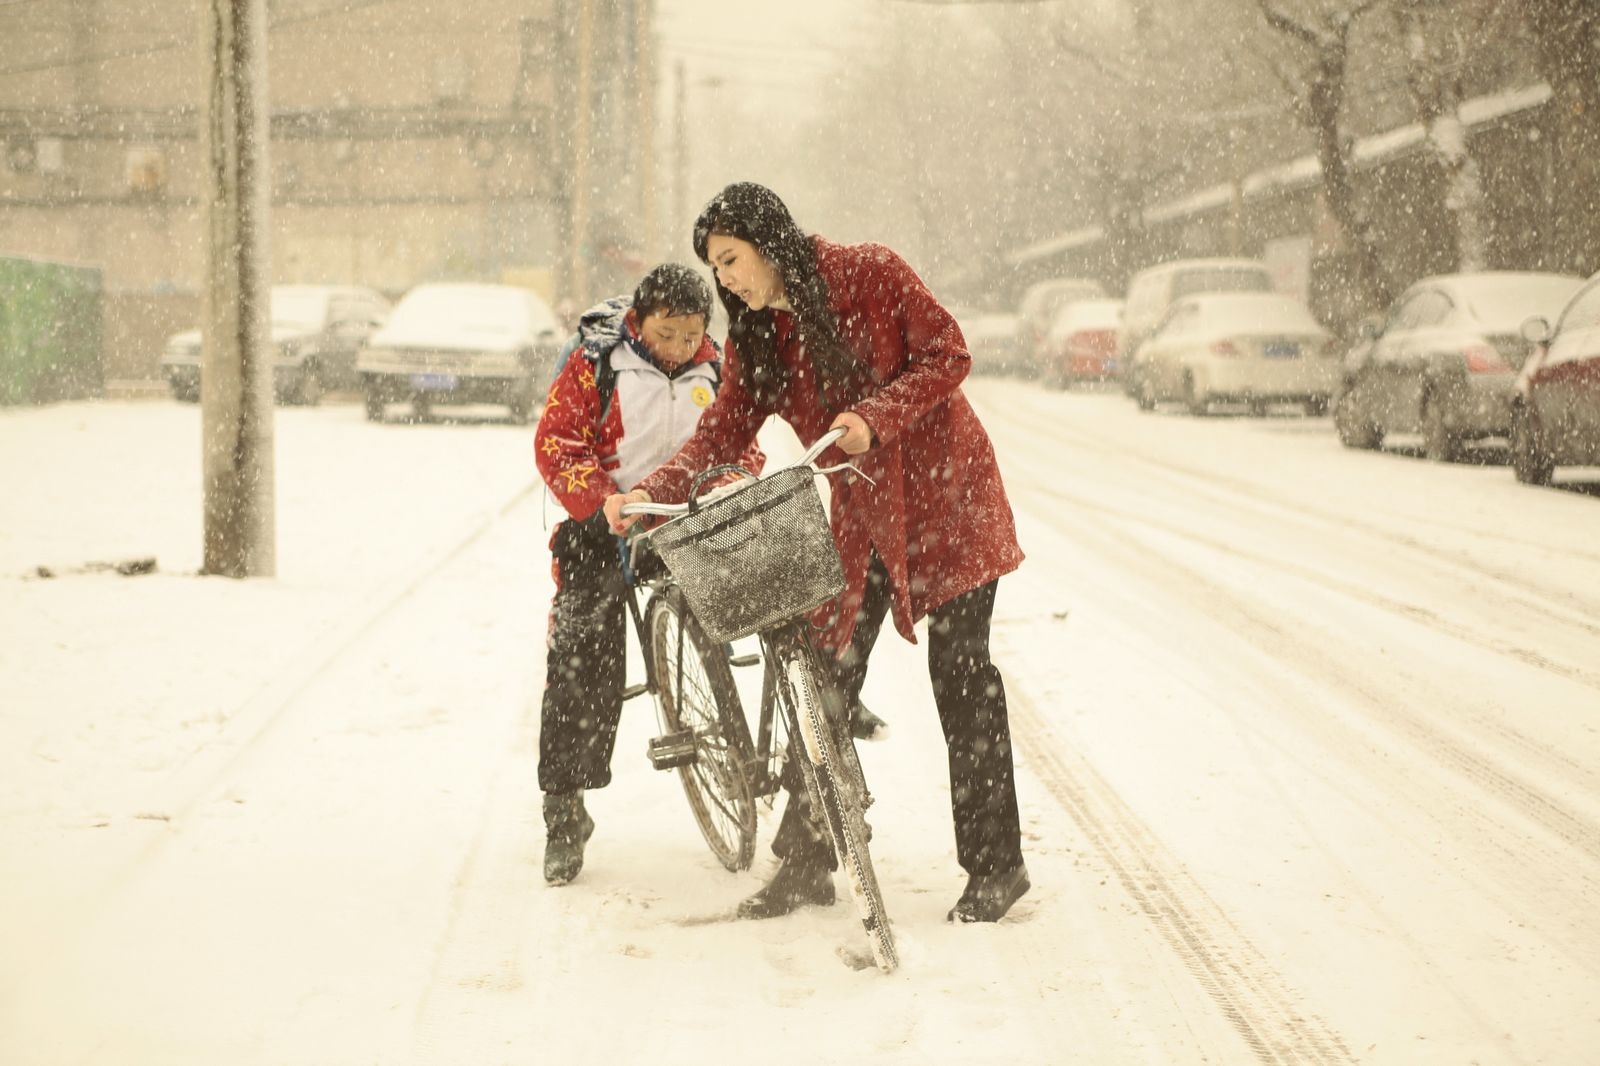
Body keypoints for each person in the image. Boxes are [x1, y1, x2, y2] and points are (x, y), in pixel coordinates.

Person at [603, 183, 1029, 923]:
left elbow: (947, 353)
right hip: (864, 511)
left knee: (961, 675)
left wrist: (876, 415)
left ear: (768, 241)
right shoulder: (762, 336)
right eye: (717, 268)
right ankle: (805, 861)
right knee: (824, 670)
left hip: (948, 497)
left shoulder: (871, 273)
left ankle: (997, 866)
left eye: (732, 259)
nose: (727, 279)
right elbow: (722, 433)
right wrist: (644, 493)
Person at [534, 262, 762, 886]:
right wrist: (599, 497)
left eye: (692, 337)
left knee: (772, 598)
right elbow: (557, 442)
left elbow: (743, 441)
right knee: (585, 652)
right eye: (667, 335)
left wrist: (735, 476)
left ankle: (793, 751)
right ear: (639, 322)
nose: (680, 350)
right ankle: (565, 807)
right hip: (607, 522)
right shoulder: (596, 362)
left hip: (690, 516)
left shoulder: (717, 368)